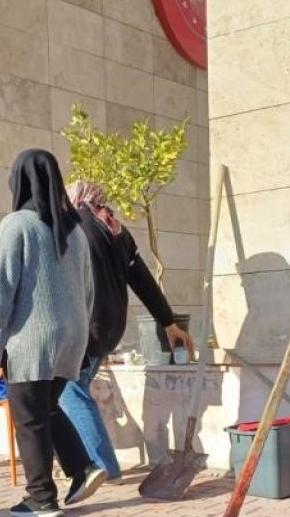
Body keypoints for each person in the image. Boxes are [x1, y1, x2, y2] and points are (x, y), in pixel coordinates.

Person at [0, 149, 108, 517]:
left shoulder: (17, 224)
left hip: (33, 338)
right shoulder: (74, 229)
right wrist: (83, 335)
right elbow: (88, 290)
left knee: (28, 417)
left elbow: (0, 284)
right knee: (46, 408)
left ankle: (41, 498)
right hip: (72, 336)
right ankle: (83, 466)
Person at [59, 180, 194, 479]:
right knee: (74, 388)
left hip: (85, 326)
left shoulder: (72, 226)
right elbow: (143, 280)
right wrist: (169, 322)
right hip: (111, 328)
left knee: (69, 390)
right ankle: (93, 462)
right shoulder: (116, 229)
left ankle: (103, 467)